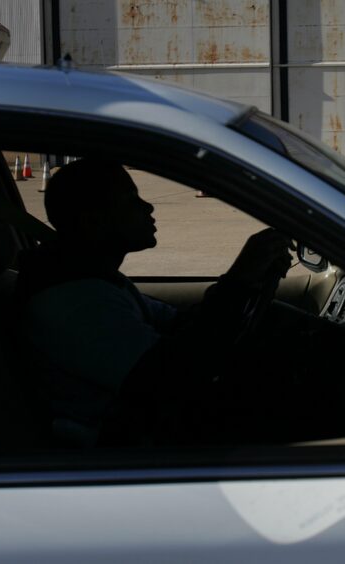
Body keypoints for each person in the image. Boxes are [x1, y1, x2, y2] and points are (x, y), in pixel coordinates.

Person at [16, 158, 322, 448]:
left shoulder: (98, 281)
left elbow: (182, 327)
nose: (148, 207)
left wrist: (251, 284)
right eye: (131, 200)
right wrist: (239, 280)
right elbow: (171, 378)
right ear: (94, 220)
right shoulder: (73, 303)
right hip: (132, 452)